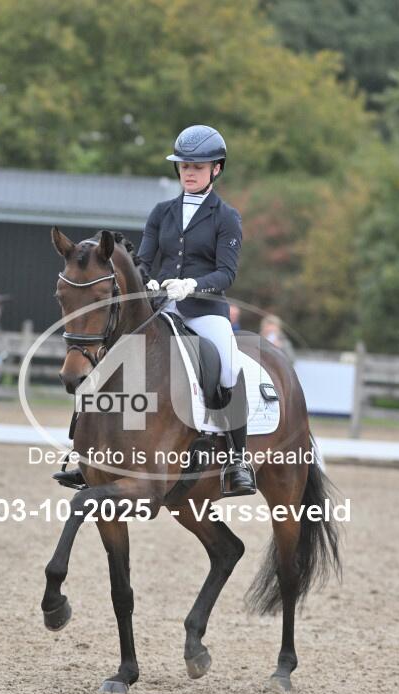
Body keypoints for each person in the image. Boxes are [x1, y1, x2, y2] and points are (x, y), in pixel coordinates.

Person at [137, 124, 256, 496]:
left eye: (198, 167)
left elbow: (227, 273)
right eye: (184, 165)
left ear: (216, 169)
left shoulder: (226, 217)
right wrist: (147, 282)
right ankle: (89, 451)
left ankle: (237, 460)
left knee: (228, 366)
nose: (189, 172)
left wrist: (192, 285)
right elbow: (143, 260)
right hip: (162, 308)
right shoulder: (162, 212)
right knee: (113, 355)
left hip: (204, 310)